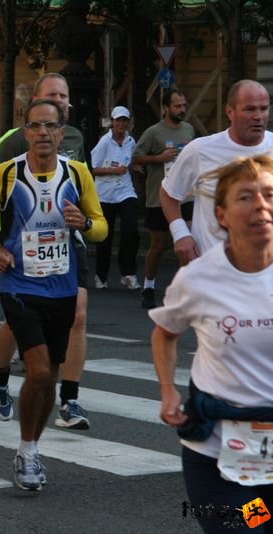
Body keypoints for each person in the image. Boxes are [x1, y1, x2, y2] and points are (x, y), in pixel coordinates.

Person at [0, 99, 107, 491]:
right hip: (18, 284)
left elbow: (100, 228)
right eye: (36, 126)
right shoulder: (5, 174)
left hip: (62, 287)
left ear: (62, 132)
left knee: (47, 382)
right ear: (24, 132)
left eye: (51, 126)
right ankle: (28, 453)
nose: (43, 134)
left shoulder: (78, 174)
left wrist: (86, 223)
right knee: (41, 371)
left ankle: (29, 445)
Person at [150, 155, 273, 533]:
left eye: (269, 194)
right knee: (242, 528)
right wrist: (168, 391)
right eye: (246, 197)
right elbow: (165, 332)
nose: (261, 206)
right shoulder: (200, 279)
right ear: (220, 215)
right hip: (218, 457)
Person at [0, 73, 93, 430]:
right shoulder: (15, 140)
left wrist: (85, 222)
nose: (59, 100)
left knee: (78, 315)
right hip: (20, 251)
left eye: (63, 96)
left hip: (68, 244)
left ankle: (70, 398)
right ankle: (0, 375)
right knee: (15, 323)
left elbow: (82, 187)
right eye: (51, 95)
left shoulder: (75, 138)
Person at [161, 79, 273, 266]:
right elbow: (168, 193)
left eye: (264, 109)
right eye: (250, 109)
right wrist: (180, 233)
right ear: (230, 112)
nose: (258, 116)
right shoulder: (200, 150)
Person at [132, 89, 195, 309]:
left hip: (185, 197)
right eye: (177, 106)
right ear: (165, 108)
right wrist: (158, 158)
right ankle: (149, 287)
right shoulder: (153, 132)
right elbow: (135, 157)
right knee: (158, 245)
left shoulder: (188, 130)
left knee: (188, 243)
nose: (182, 110)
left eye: (184, 105)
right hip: (160, 198)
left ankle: (182, 289)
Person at [90, 105, 140, 290]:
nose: (121, 124)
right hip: (105, 193)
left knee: (131, 231)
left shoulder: (130, 141)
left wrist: (133, 167)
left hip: (125, 190)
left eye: (124, 120)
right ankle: (101, 276)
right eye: (118, 120)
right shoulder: (104, 142)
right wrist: (114, 170)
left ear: (128, 122)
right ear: (112, 122)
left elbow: (130, 160)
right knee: (105, 236)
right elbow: (93, 169)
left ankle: (128, 273)